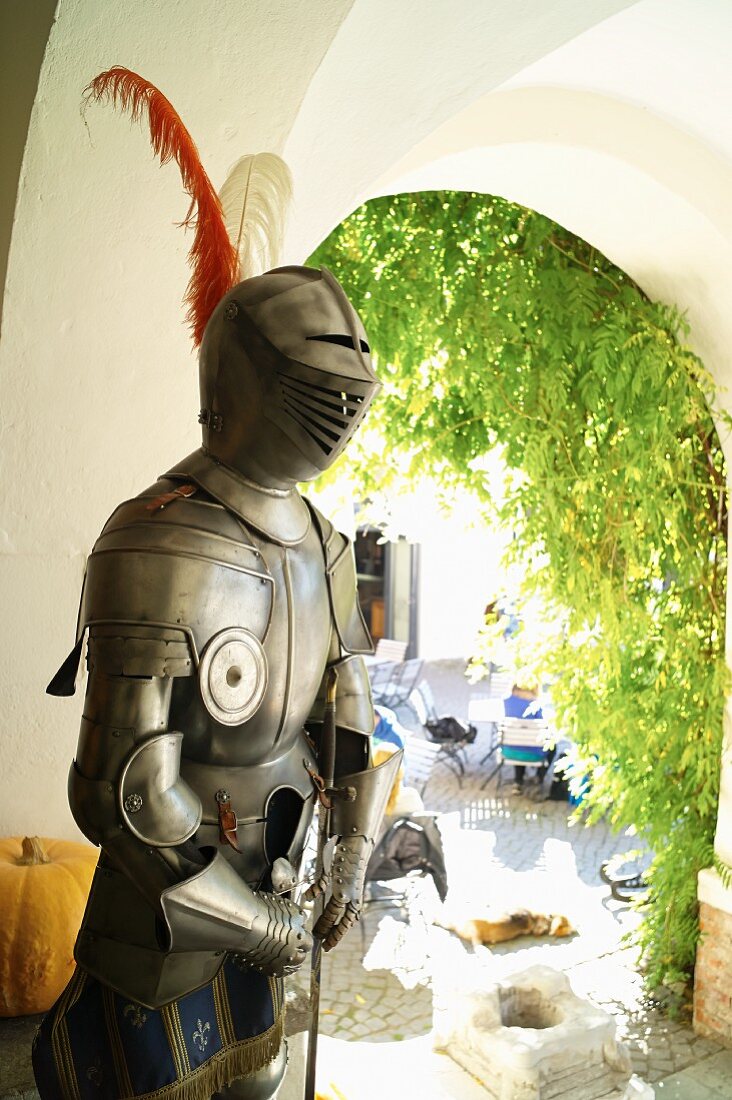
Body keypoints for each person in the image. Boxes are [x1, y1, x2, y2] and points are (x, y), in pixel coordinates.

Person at [32, 68, 401, 1100]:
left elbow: (351, 729)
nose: (345, 399)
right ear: (239, 385)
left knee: (265, 1079)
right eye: (318, 383)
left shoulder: (326, 546)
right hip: (164, 932)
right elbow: (119, 789)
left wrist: (350, 862)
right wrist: (264, 920)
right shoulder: (157, 545)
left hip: (274, 910)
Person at [503, 684, 555, 794]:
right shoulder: (535, 706)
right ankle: (539, 777)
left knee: (517, 741)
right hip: (534, 755)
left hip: (509, 752)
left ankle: (518, 781)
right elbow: (544, 726)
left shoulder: (506, 702)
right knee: (552, 746)